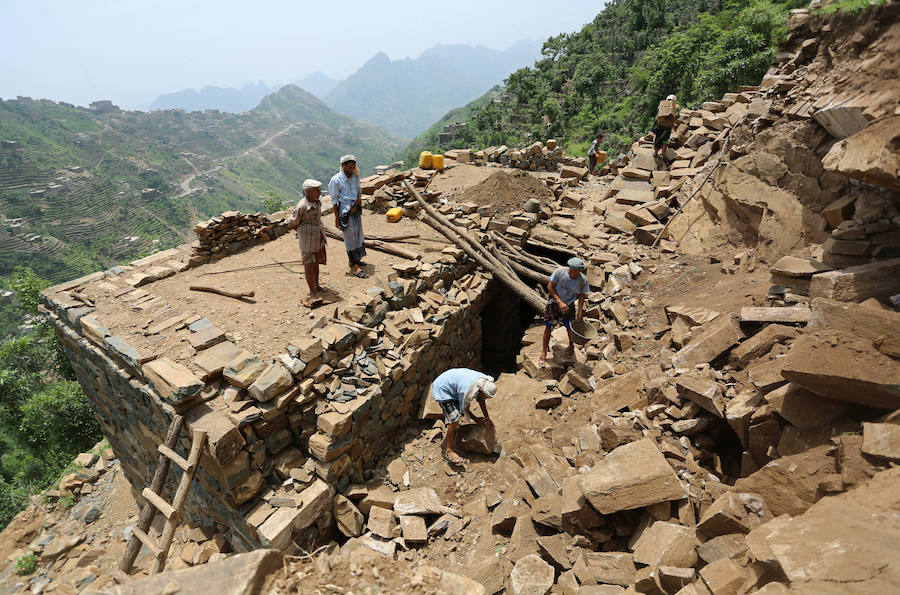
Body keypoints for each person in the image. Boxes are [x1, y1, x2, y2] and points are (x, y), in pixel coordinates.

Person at [431, 368, 497, 466]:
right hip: (443, 388)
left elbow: (481, 399)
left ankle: (454, 432)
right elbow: (464, 410)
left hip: (453, 383)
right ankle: (449, 451)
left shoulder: (484, 381)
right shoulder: (467, 392)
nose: (487, 398)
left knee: (456, 414)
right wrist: (477, 420)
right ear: (482, 391)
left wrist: (486, 417)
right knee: (454, 420)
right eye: (486, 396)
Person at [539, 257, 589, 366]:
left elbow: (581, 296)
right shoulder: (559, 272)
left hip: (569, 305)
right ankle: (543, 352)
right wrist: (559, 301)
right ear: (569, 268)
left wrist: (580, 311)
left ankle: (571, 345)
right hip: (555, 304)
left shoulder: (582, 280)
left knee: (570, 327)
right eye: (571, 271)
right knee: (548, 327)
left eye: (575, 272)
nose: (572, 274)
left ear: (579, 271)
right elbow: (550, 287)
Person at [285, 178, 327, 303]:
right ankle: (312, 291)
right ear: (308, 192)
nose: (319, 192)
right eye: (316, 190)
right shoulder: (302, 206)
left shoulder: (317, 202)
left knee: (316, 264)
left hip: (318, 238)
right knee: (309, 266)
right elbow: (292, 222)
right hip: (308, 241)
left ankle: (317, 286)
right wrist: (302, 232)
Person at [328, 154, 368, 278]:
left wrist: (358, 201)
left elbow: (358, 189)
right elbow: (334, 200)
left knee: (357, 234)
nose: (351, 170)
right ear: (343, 166)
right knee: (349, 238)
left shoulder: (355, 177)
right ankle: (355, 267)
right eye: (349, 168)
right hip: (345, 211)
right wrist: (336, 218)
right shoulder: (336, 180)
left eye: (353, 167)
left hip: (355, 209)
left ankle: (354, 260)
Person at [652, 94, 679, 159]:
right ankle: (662, 155)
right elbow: (677, 116)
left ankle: (655, 152)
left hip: (659, 126)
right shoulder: (675, 107)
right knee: (665, 141)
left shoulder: (662, 105)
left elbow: (657, 115)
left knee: (657, 139)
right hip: (668, 128)